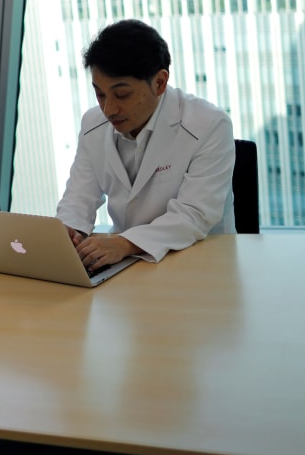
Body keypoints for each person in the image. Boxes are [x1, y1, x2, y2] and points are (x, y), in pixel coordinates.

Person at [56, 19, 235, 272]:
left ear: (160, 82)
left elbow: (194, 215)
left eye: (122, 95)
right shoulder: (92, 124)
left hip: (199, 264)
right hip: (128, 266)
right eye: (100, 94)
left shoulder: (209, 125)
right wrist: (69, 232)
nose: (109, 109)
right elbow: (78, 197)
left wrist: (124, 244)